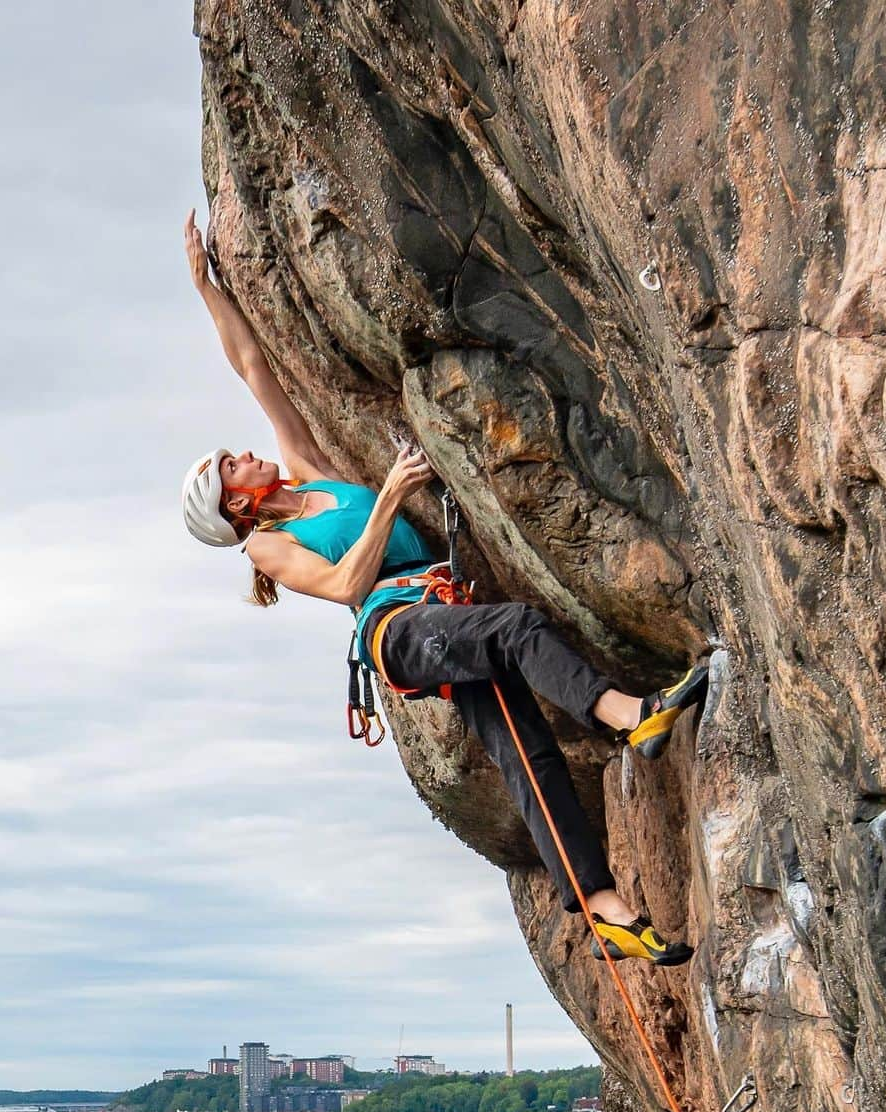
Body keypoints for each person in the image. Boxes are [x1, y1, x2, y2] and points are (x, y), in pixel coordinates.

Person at [180, 210, 707, 967]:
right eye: (233, 465)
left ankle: (606, 909)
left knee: (528, 753)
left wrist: (206, 285)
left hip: (438, 614)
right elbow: (343, 583)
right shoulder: (268, 545)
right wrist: (391, 494)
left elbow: (253, 365)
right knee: (519, 627)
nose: (248, 455)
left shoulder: (307, 470)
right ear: (234, 507)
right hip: (398, 630)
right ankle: (631, 717)